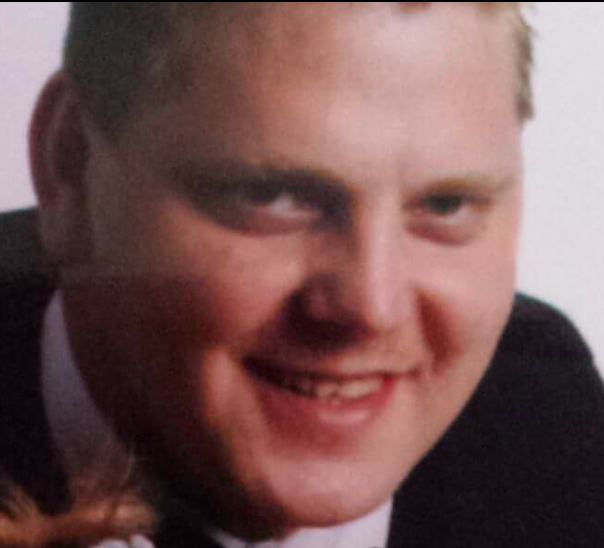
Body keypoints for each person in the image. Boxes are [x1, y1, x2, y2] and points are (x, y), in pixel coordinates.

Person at [1, 2, 603, 547]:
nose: (372, 308)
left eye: (445, 205)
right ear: (71, 168)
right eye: (273, 196)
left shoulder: (551, 429)